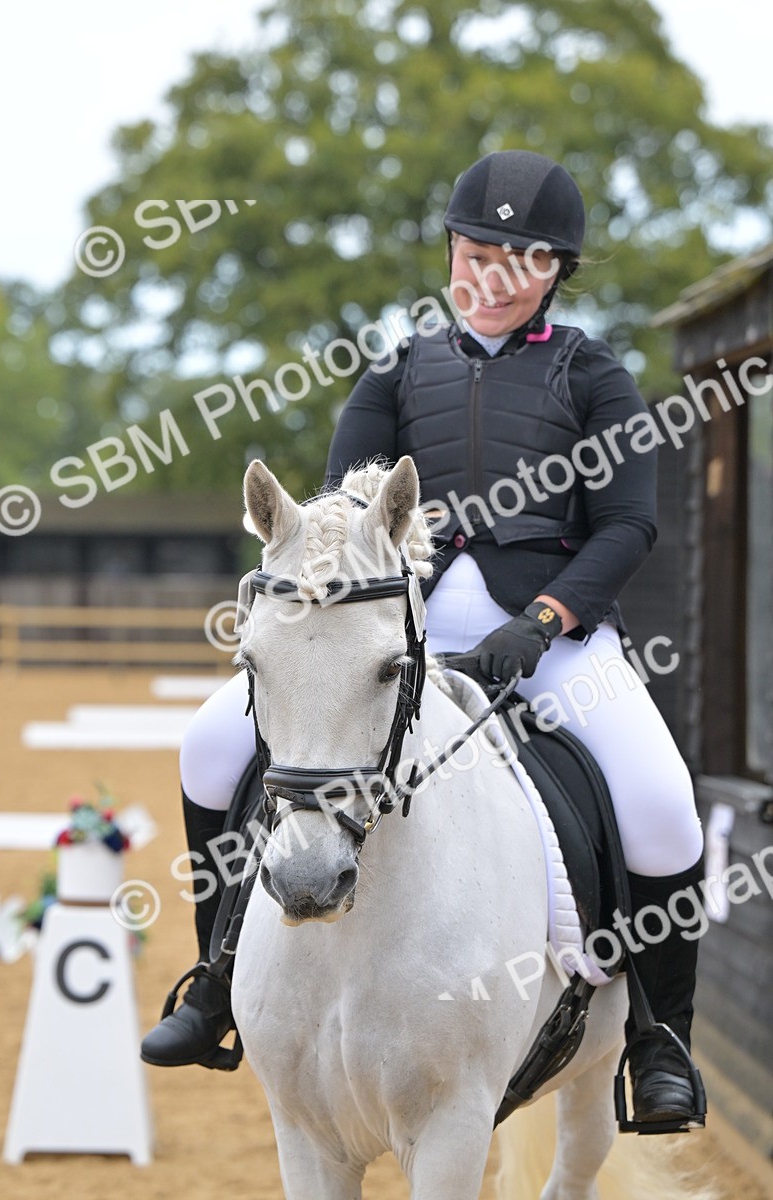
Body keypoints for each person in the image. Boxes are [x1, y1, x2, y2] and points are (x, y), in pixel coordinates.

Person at [141, 150, 705, 1128]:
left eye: (514, 258)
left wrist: (542, 624)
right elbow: (338, 526)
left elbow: (626, 525)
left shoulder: (596, 375)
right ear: (449, 249)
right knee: (211, 744)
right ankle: (216, 978)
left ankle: (656, 1044)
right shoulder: (395, 373)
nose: (486, 273)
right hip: (399, 625)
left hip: (555, 632)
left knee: (662, 809)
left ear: (553, 271)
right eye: (471, 249)